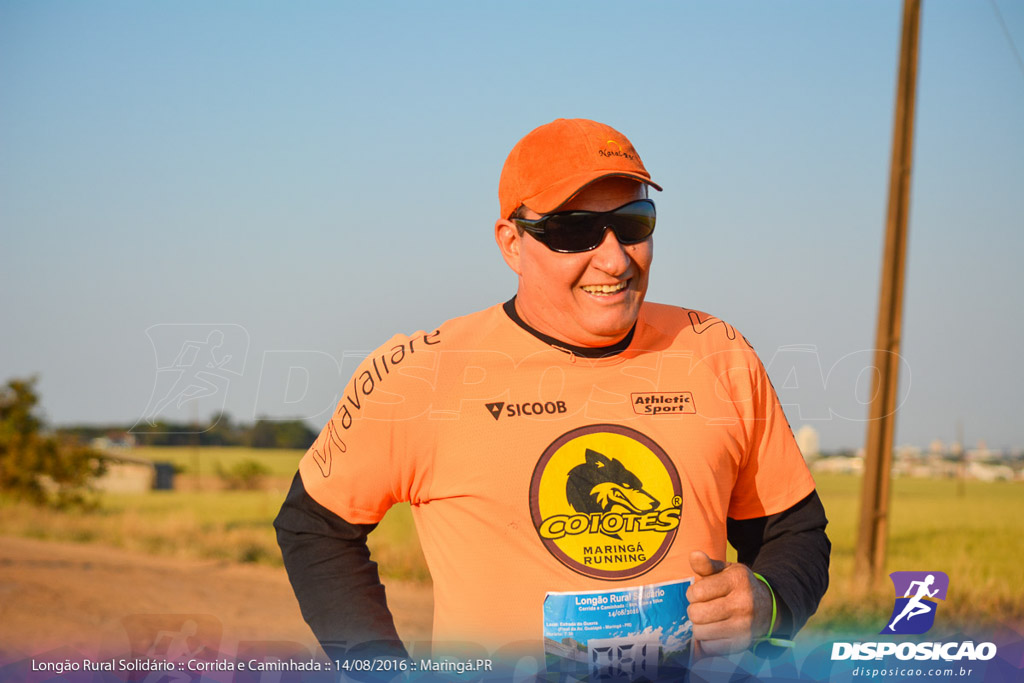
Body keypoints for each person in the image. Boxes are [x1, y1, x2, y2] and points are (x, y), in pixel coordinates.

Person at [275, 118, 830, 672]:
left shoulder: (718, 352)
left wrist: (767, 601)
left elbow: (794, 531)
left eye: (633, 223)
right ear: (511, 243)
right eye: (573, 231)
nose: (614, 259)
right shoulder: (422, 373)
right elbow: (314, 526)